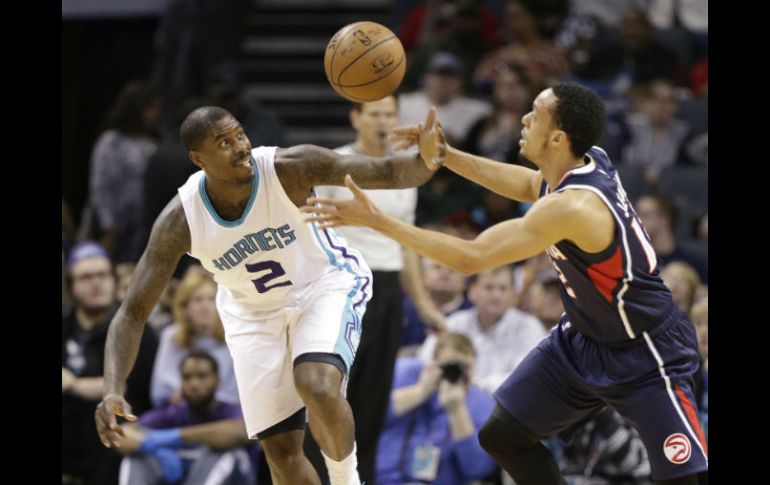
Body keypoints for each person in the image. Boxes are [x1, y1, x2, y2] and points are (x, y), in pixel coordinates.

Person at [302, 83, 707, 484]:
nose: (525, 119)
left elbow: (470, 258)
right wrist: (445, 156)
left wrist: (378, 221)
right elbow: (529, 184)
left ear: (557, 137)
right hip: (583, 340)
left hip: (645, 348)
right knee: (504, 437)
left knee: (681, 479)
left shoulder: (573, 207)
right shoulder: (582, 163)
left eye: (535, 113)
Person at [95, 105, 438, 485]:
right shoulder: (181, 220)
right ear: (198, 159)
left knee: (316, 382)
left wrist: (426, 157)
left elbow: (388, 172)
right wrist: (113, 388)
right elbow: (132, 312)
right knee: (282, 456)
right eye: (223, 143)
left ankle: (347, 480)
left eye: (240, 134)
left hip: (322, 285)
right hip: (252, 313)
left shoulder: (289, 167)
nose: (240, 146)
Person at [311, 95, 444, 484]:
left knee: (373, 401)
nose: (382, 121)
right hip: (343, 288)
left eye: (389, 114)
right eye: (375, 114)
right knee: (329, 398)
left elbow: (408, 247)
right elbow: (316, 234)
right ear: (356, 118)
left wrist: (422, 304)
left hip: (387, 291)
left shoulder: (407, 171)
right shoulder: (333, 164)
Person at [115, 351, 255, 484]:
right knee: (135, 457)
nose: (194, 384)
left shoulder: (231, 411)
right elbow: (122, 435)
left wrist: (176, 436)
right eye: (187, 377)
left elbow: (241, 431)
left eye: (202, 376)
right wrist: (152, 445)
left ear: (217, 380)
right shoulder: (174, 413)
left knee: (225, 452)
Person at [376, 333, 498, 485]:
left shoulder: (482, 404)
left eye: (463, 368)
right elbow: (365, 416)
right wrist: (419, 392)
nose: (455, 374)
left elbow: (478, 469)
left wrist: (457, 410)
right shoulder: (405, 372)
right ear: (433, 362)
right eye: (450, 366)